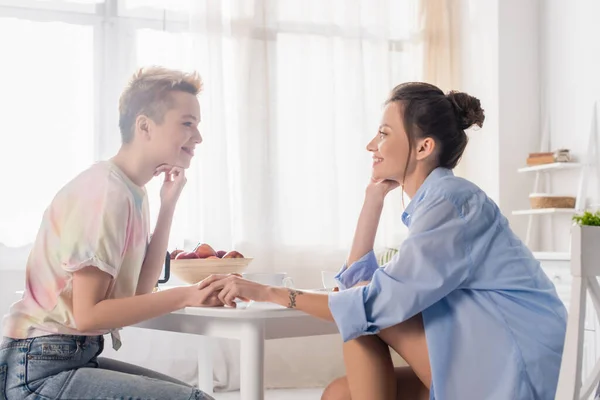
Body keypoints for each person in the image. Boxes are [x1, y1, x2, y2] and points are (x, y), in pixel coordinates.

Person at [200, 82, 568, 400]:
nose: (371, 145)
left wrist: (268, 292)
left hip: (517, 367)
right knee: (338, 394)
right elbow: (355, 291)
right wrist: (373, 199)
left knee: (362, 309)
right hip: (483, 358)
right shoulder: (437, 201)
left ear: (423, 148)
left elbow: (371, 302)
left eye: (384, 134)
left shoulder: (451, 202)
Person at [0, 66, 218, 399]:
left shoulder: (131, 191)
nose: (198, 137)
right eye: (187, 124)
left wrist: (167, 206)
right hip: (38, 370)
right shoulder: (105, 192)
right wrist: (189, 294)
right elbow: (88, 316)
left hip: (62, 358)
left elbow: (140, 294)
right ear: (144, 125)